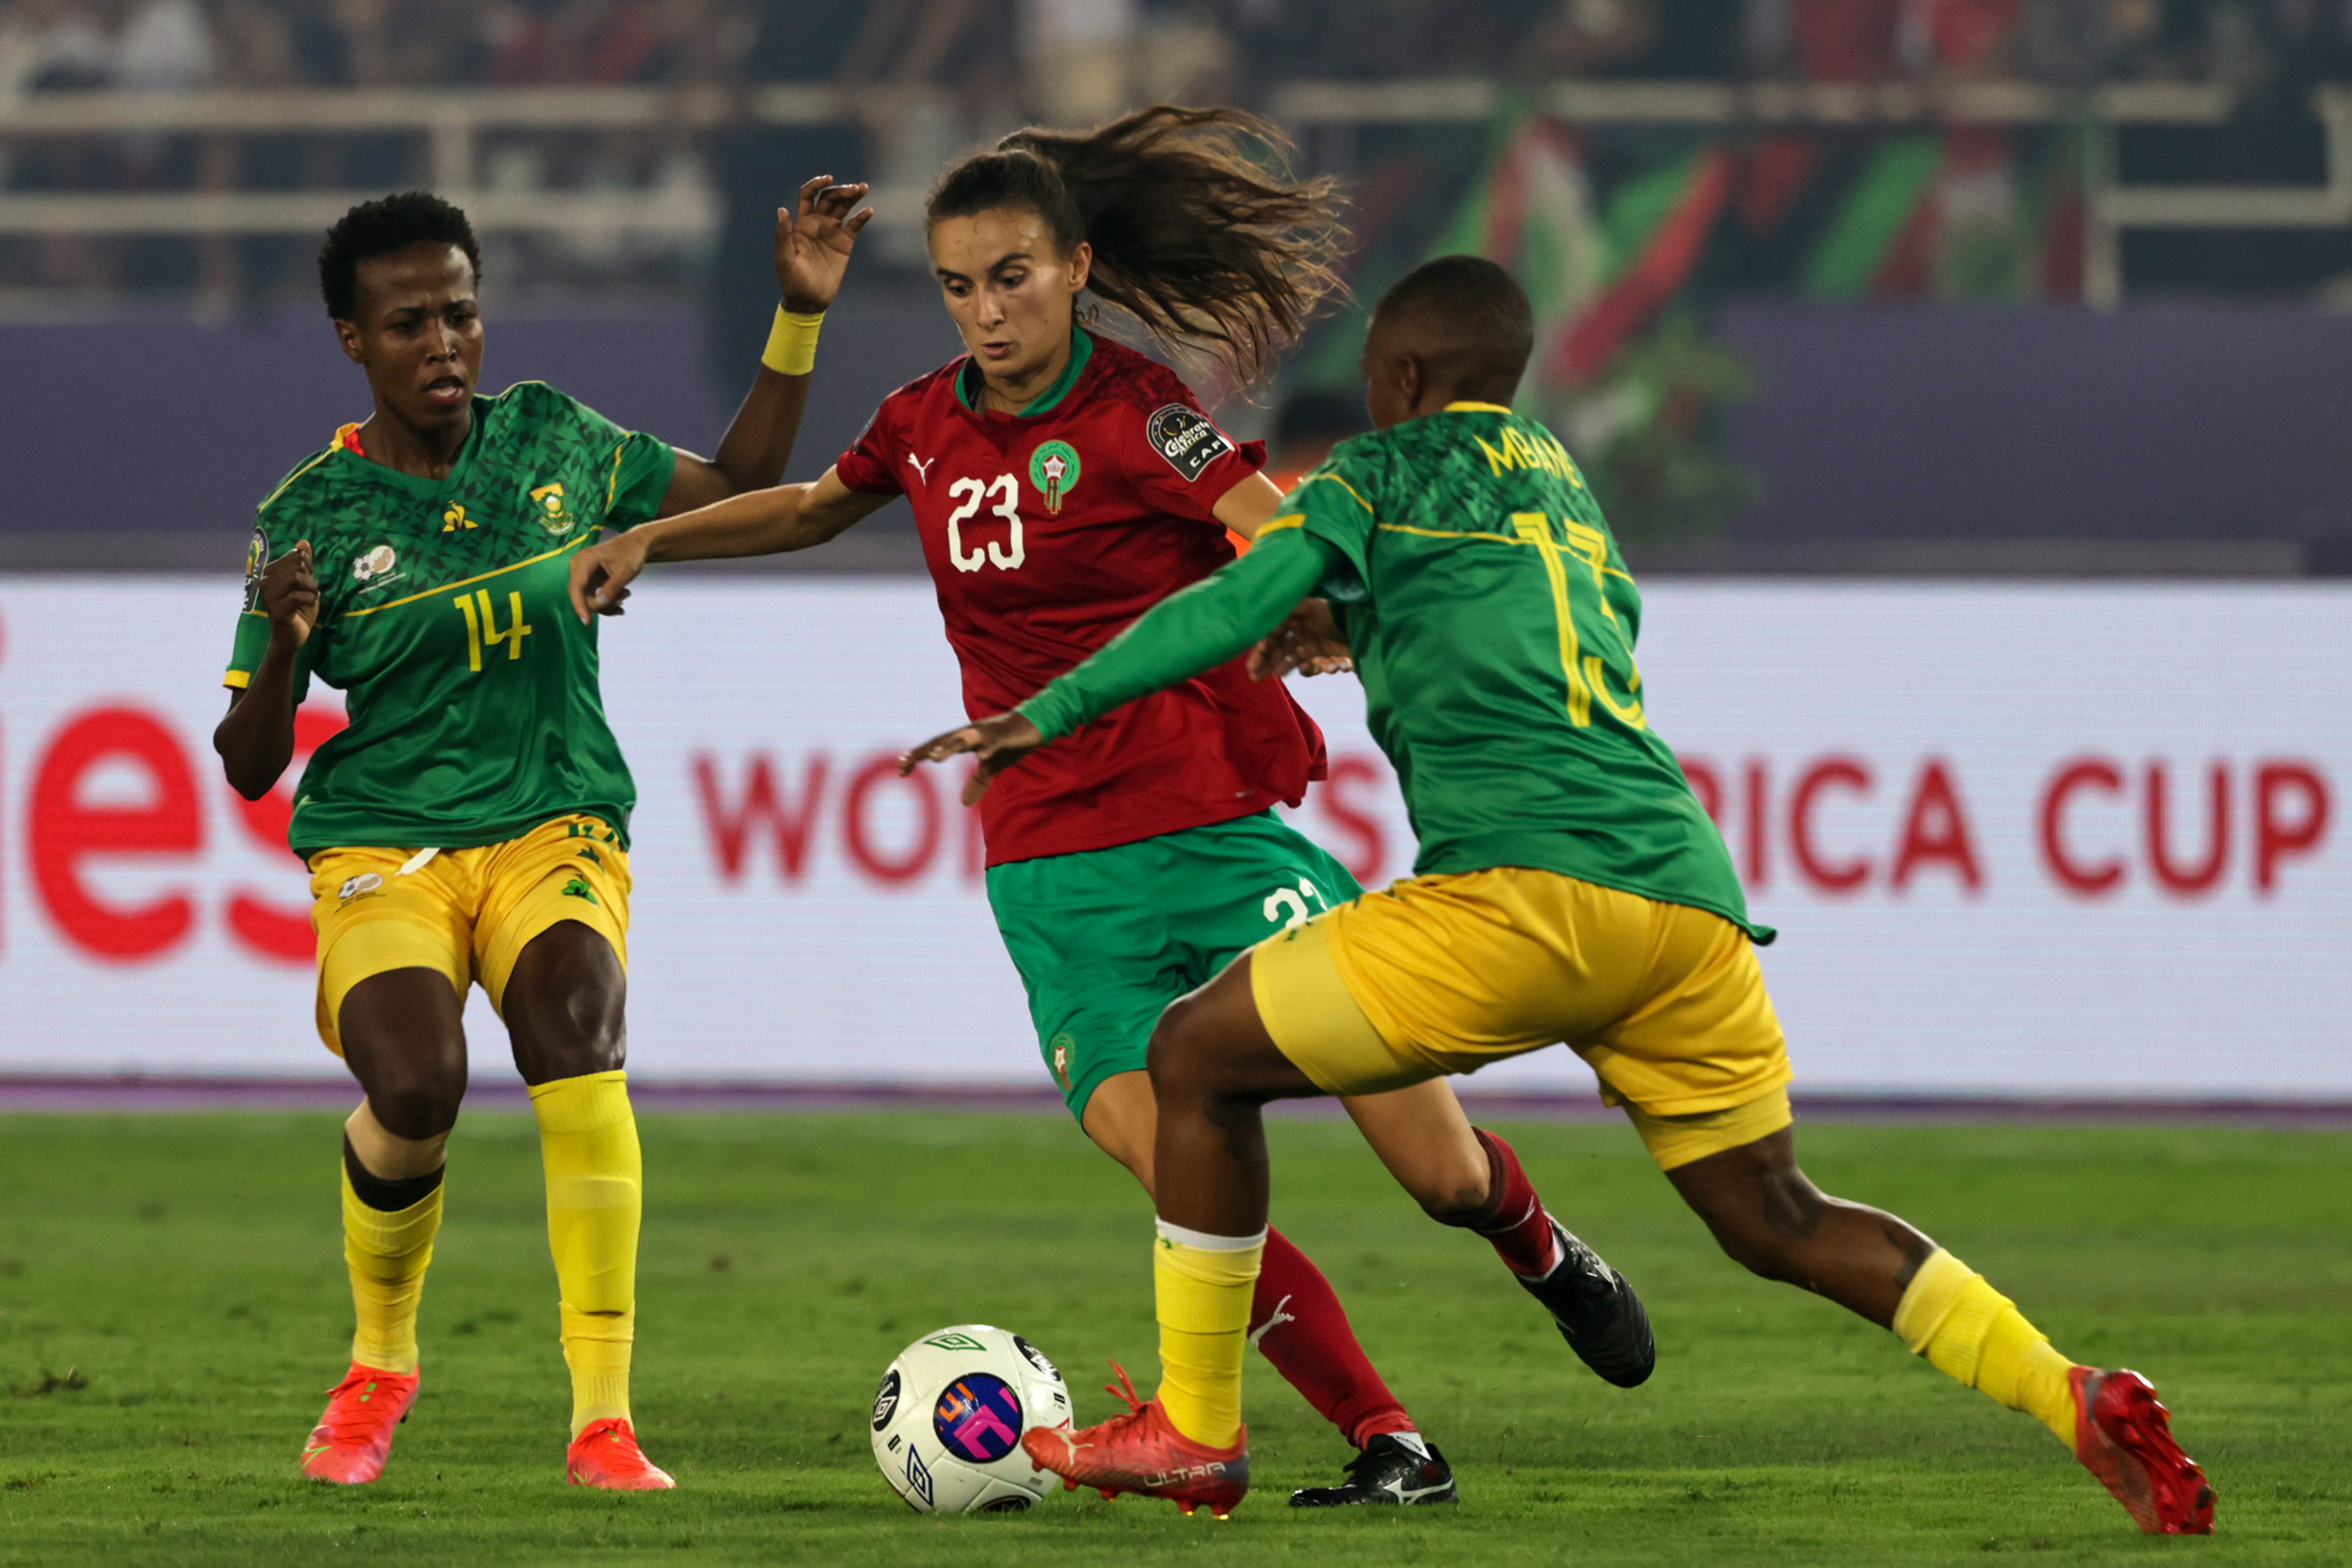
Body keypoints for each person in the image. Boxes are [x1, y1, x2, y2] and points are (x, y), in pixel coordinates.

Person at [902, 254, 2217, 1534]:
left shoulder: (1379, 470)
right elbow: (1473, 628)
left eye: (1372, 374)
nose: (1364, 398)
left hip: (1523, 897)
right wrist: (1355, 627)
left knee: (1194, 1057)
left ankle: (1196, 1429)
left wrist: (1053, 709)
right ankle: (2075, 1393)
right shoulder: (1562, 487)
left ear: (1405, 372)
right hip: (1686, 908)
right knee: (1780, 1217)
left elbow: (1233, 599)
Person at [568, 107, 1655, 1507]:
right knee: (1190, 1188)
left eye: (1011, 276)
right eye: (960, 285)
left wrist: (1315, 600)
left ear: (1076, 266)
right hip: (1052, 875)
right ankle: (1390, 1438)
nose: (986, 311)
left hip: (1214, 835)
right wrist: (654, 534)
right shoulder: (919, 423)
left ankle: (1543, 1251)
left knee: (1438, 1171)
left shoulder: (1139, 411)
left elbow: (1265, 519)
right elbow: (805, 509)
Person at [212, 180, 873, 1489]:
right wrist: (287, 653)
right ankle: (382, 1365)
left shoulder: (555, 440)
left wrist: (797, 316)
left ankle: (604, 1422)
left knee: (576, 1035)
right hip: (383, 844)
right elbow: (243, 765)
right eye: (408, 324)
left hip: (553, 819)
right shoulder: (308, 520)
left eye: (459, 314)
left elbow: (741, 482)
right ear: (355, 339)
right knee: (413, 1090)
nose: (443, 345)